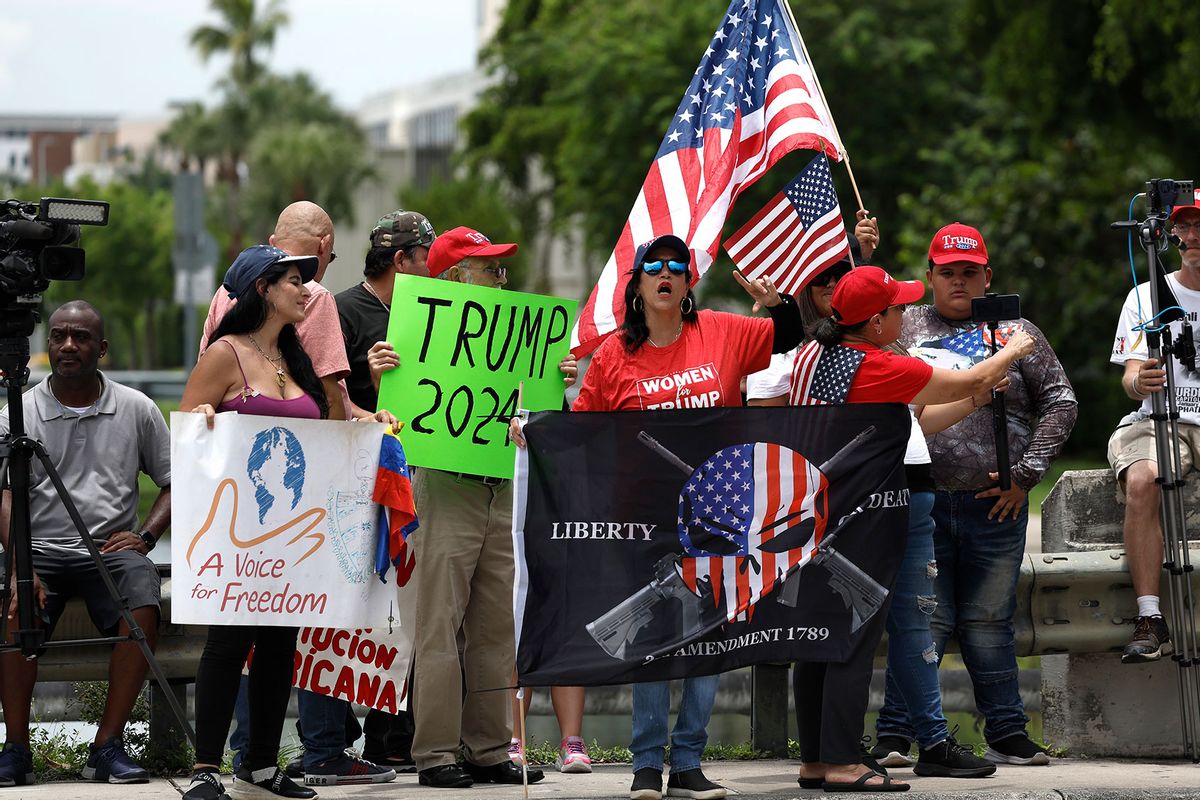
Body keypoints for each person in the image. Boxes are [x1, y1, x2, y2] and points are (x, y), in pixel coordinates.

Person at [511, 233, 804, 800]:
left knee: (708, 638)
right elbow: (584, 431)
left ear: (689, 283)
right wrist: (538, 430)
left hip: (720, 515)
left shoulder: (722, 331)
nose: (667, 273)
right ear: (638, 283)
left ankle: (689, 762)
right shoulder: (616, 355)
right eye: (655, 267)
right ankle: (647, 764)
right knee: (651, 635)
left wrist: (778, 302)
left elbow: (791, 333)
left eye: (678, 266)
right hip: (641, 516)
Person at [785, 265, 1034, 791]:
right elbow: (971, 378)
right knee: (853, 639)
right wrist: (1013, 349)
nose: (905, 313)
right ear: (875, 323)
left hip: (816, 511)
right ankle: (843, 762)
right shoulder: (877, 367)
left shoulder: (813, 356)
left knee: (817, 637)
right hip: (864, 515)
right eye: (896, 308)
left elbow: (917, 419)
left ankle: (815, 759)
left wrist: (975, 393)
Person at [877, 223, 1076, 767]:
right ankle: (896, 733)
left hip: (997, 501)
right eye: (948, 272)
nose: (959, 282)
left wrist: (1027, 473)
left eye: (969, 272)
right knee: (923, 618)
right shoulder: (904, 327)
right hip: (921, 500)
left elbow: (1061, 400)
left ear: (987, 276)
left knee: (990, 620)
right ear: (931, 276)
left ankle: (1007, 731)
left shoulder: (1017, 332)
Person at [400, 225, 576, 790]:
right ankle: (435, 752)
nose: (503, 279)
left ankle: (490, 747)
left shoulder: (514, 339)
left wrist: (555, 379)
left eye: (503, 269)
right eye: (490, 269)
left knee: (496, 626)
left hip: (500, 485)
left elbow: (535, 410)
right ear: (454, 279)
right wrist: (383, 365)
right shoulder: (416, 335)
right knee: (439, 626)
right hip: (445, 485)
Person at [179, 245, 338, 800]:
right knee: (228, 643)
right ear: (263, 290)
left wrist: (374, 417)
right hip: (238, 532)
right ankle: (205, 769)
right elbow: (188, 437)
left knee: (279, 644)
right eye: (294, 280)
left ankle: (263, 766)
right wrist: (200, 418)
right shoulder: (224, 354)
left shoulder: (295, 358)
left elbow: (331, 430)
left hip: (293, 531)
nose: (305, 290)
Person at [0, 302, 171, 788]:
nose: (68, 345)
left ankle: (106, 746)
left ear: (103, 348)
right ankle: (15, 749)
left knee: (143, 601)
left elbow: (174, 481)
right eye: (58, 336)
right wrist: (18, 564)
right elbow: (4, 494)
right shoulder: (19, 411)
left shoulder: (137, 408)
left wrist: (145, 536)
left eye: (79, 337)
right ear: (47, 345)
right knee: (14, 610)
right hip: (39, 549)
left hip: (109, 553)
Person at [332, 209, 437, 772]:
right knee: (375, 612)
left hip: (429, 481)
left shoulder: (437, 313)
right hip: (364, 488)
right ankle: (364, 735)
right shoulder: (346, 311)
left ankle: (400, 736)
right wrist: (368, 381)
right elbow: (330, 397)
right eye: (428, 257)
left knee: (414, 612)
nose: (435, 268)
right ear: (402, 260)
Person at [1109, 201, 1200, 663]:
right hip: (1162, 419)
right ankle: (1150, 617)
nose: (1193, 234)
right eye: (1185, 225)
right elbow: (1129, 378)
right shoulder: (1147, 295)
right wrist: (1138, 379)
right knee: (1143, 479)